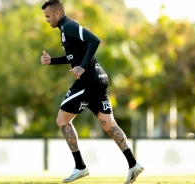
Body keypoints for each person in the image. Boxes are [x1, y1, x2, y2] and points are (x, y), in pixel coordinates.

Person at [40, 0, 143, 183]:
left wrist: (82, 67)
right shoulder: (65, 31)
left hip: (88, 82)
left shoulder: (69, 26)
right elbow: (73, 56)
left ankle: (80, 167)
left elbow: (94, 40)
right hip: (99, 80)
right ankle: (133, 164)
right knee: (108, 124)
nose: (46, 20)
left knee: (62, 121)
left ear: (57, 14)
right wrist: (52, 61)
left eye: (48, 16)